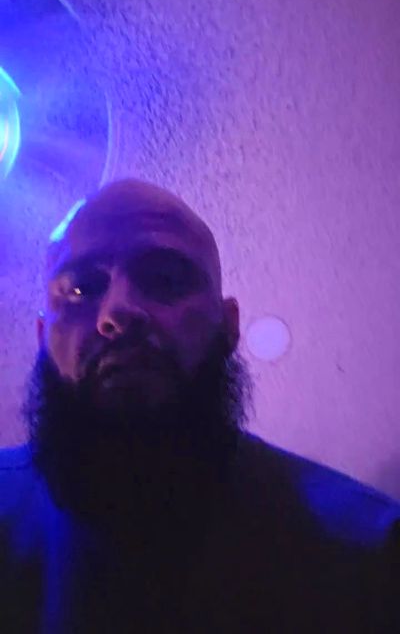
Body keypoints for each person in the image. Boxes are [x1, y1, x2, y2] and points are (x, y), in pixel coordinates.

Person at [0, 178, 399, 634]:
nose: (118, 312)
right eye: (80, 289)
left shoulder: (372, 559)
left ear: (228, 326)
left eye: (166, 280)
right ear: (41, 337)